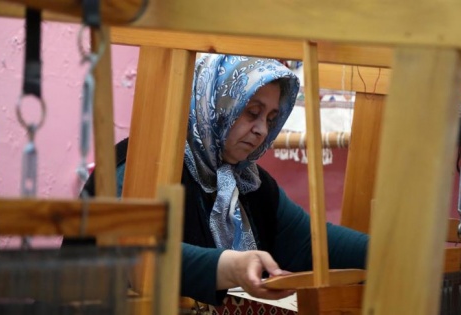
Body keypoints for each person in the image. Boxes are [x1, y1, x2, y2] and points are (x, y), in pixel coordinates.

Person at [75, 54, 368, 306]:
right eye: (252, 112)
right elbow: (135, 254)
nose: (261, 131)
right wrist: (232, 266)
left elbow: (312, 242)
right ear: (214, 103)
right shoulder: (141, 164)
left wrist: (390, 252)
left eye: (270, 118)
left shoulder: (251, 184)